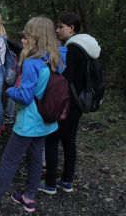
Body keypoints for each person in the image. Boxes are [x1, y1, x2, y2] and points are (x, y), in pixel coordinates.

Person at [0, 16, 64, 215]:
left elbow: (25, 97)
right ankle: (29, 198)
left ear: (35, 36)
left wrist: (10, 90)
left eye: (27, 33)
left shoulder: (31, 63)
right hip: (46, 121)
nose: (23, 36)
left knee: (9, 161)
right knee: (36, 160)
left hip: (28, 122)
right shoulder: (54, 58)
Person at [39, 12, 101, 194]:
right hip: (79, 103)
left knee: (51, 141)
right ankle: (67, 181)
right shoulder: (88, 48)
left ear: (71, 28)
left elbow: (67, 79)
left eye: (60, 27)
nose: (57, 30)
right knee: (69, 142)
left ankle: (50, 183)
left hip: (67, 103)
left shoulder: (73, 49)